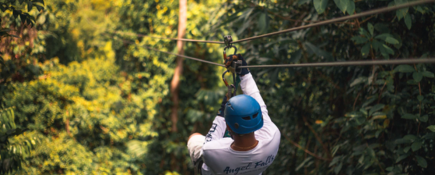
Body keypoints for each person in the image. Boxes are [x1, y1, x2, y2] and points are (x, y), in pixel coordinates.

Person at [187, 54, 281, 175]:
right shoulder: (273, 136)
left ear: (229, 127)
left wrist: (222, 111)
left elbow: (209, 143)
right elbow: (260, 106)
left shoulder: (212, 151)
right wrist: (245, 73)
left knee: (194, 138)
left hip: (214, 167)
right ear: (260, 121)